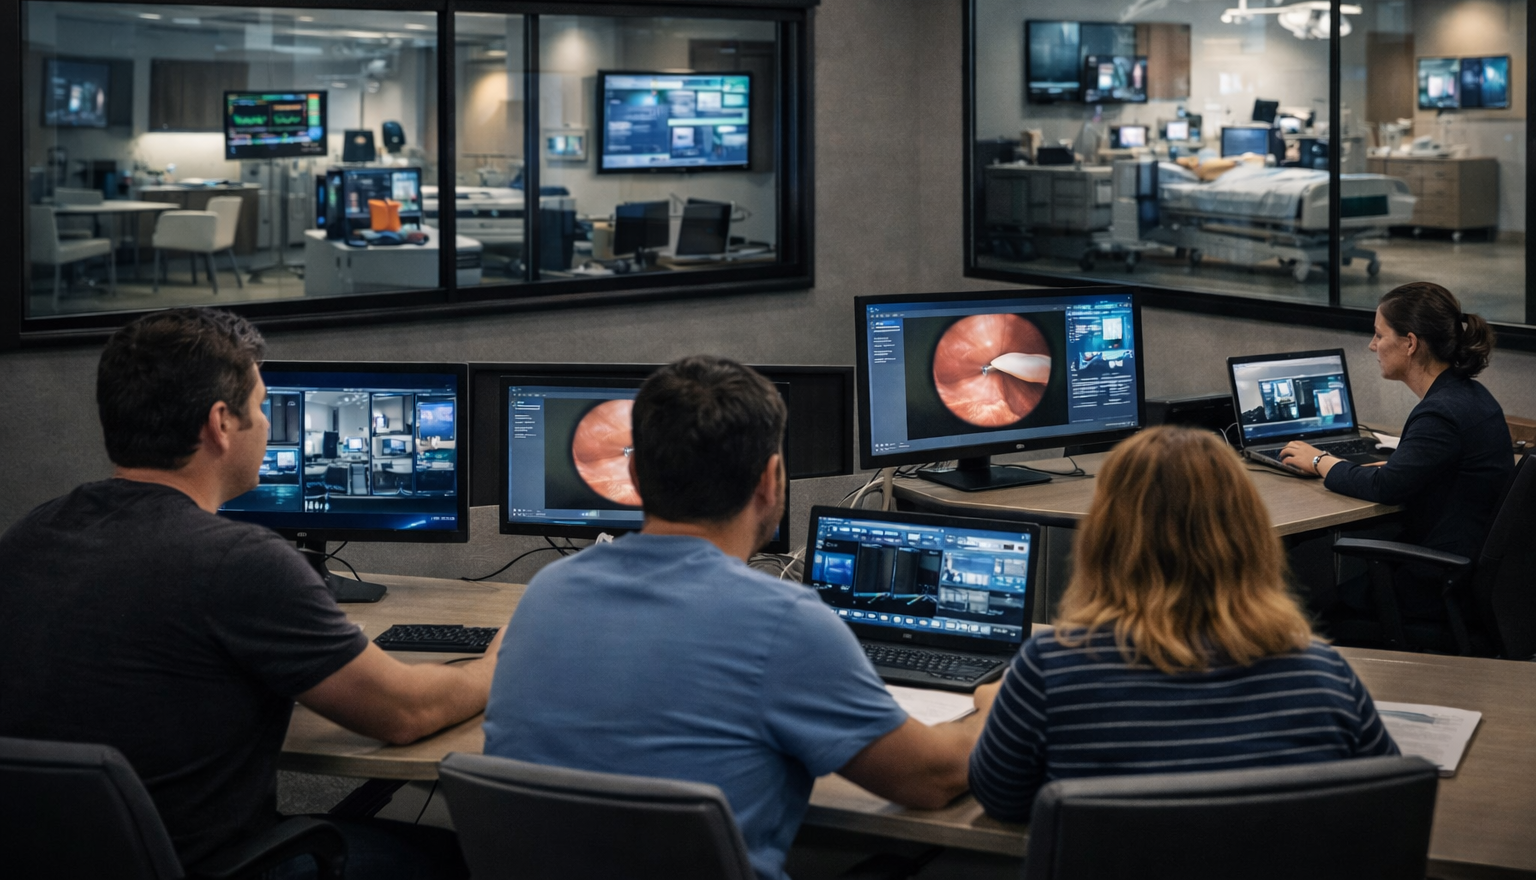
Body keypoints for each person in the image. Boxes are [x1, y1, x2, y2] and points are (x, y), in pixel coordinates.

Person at [0, 308, 502, 879]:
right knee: (476, 859)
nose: (266, 424)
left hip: (63, 859)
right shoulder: (238, 561)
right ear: (220, 423)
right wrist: (498, 664)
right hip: (218, 866)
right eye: (261, 406)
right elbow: (405, 713)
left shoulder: (31, 533)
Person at [483, 355, 998, 880]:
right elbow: (931, 779)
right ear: (771, 480)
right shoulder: (784, 622)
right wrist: (990, 707)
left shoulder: (546, 592)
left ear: (635, 473)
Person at [969, 427, 1396, 821]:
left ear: (1103, 538)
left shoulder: (1050, 671)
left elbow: (1002, 799)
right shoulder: (1322, 676)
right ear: (1249, 537)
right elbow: (1386, 804)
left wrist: (997, 710)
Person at [1280, 282, 1512, 619]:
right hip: (1469, 573)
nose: (1372, 346)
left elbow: (1384, 488)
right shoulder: (1471, 395)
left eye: (1379, 335)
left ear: (1410, 343)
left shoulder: (1440, 413)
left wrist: (1319, 460)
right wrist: (1390, 467)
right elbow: (1424, 471)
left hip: (1438, 585)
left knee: (1312, 617)